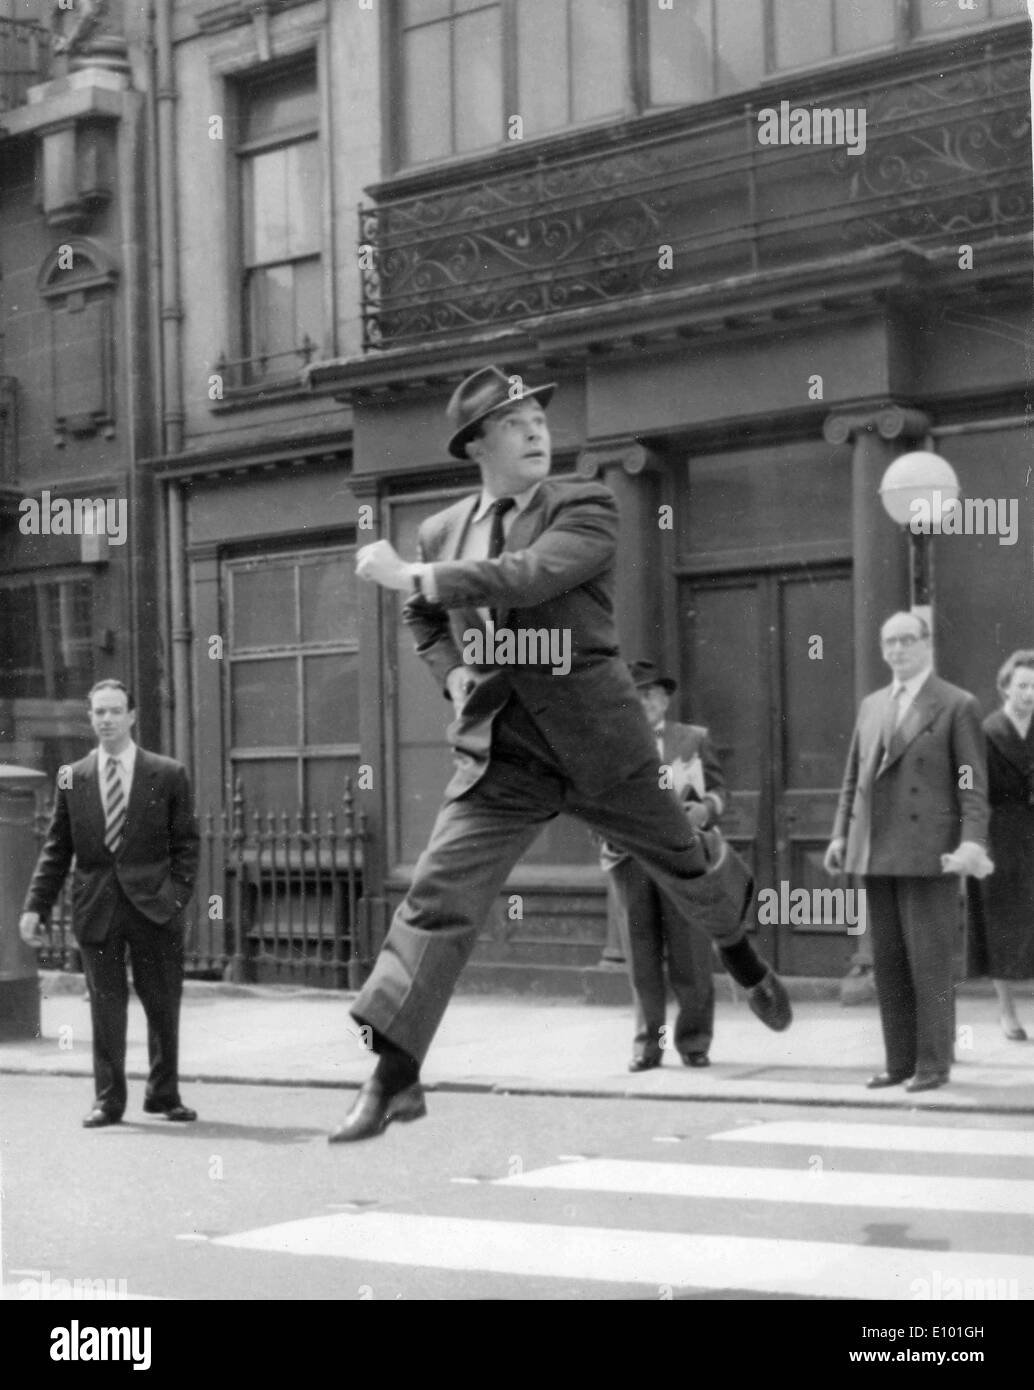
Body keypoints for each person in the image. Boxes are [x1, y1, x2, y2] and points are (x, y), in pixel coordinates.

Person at [331, 363, 791, 1143]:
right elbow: (425, 620)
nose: (536, 432)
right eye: (514, 424)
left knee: (683, 861)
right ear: (476, 444)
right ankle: (394, 1075)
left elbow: (530, 576)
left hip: (599, 742)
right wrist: (454, 675)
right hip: (502, 749)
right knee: (437, 898)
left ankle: (740, 952)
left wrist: (412, 574)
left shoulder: (584, 503)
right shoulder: (442, 530)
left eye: (539, 420)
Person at [20, 679, 200, 1127]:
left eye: (115, 711)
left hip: (154, 907)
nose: (106, 719)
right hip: (97, 907)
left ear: (132, 716)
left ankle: (163, 1094)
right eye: (98, 712)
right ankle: (109, 1100)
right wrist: (36, 906)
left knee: (162, 1004)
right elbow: (57, 847)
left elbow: (187, 845)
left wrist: (175, 898)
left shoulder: (168, 773)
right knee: (105, 1007)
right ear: (90, 717)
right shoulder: (73, 775)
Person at [823, 612, 989, 1093]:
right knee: (889, 963)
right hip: (875, 850)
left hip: (930, 853)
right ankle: (899, 1062)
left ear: (926, 644)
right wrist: (839, 835)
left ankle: (933, 1064)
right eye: (889, 642)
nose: (897, 650)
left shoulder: (957, 704)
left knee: (930, 964)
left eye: (906, 641)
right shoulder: (873, 705)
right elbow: (854, 777)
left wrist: (971, 841)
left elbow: (971, 783)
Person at [602, 661, 725, 1071]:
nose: (645, 701)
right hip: (631, 859)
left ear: (666, 699)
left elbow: (720, 790)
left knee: (691, 953)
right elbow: (590, 798)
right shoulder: (611, 741)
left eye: (652, 693)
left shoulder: (693, 738)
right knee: (641, 958)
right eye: (636, 694)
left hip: (681, 858)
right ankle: (648, 1046)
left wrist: (705, 809)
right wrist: (608, 837)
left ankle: (694, 1042)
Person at [966, 650, 1034, 1040]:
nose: (1029, 694)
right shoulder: (987, 731)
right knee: (1002, 924)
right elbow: (971, 788)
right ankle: (1007, 1012)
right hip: (1000, 833)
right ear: (1005, 687)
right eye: (1022, 685)